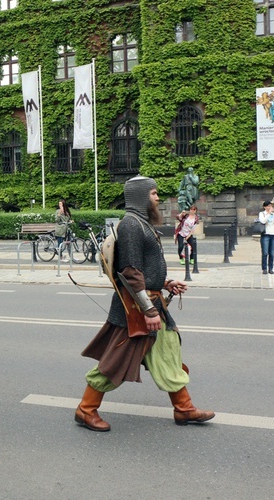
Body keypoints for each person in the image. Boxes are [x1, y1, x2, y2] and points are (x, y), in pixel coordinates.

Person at [74, 175, 214, 432]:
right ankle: (86, 409)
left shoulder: (142, 224)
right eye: (153, 193)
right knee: (115, 362)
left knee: (169, 351)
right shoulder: (131, 225)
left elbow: (145, 270)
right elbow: (130, 272)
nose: (158, 197)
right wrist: (148, 309)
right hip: (135, 310)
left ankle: (184, 408)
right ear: (140, 196)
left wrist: (165, 282)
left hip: (151, 304)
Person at [259, 200, 274, 275]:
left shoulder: (273, 214)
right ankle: (264, 268)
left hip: (273, 234)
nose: (269, 207)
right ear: (264, 207)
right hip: (265, 234)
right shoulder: (262, 214)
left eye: (270, 206)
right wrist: (268, 213)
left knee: (272, 253)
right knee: (265, 252)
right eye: (268, 206)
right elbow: (263, 221)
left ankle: (271, 268)